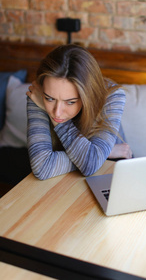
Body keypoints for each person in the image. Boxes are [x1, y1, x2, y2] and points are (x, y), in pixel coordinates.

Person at [26, 44, 132, 180]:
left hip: (115, 173)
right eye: (50, 99)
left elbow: (91, 165)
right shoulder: (37, 95)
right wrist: (105, 153)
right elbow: (42, 167)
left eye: (70, 102)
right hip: (65, 180)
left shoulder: (112, 96)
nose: (57, 113)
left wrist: (96, 158)